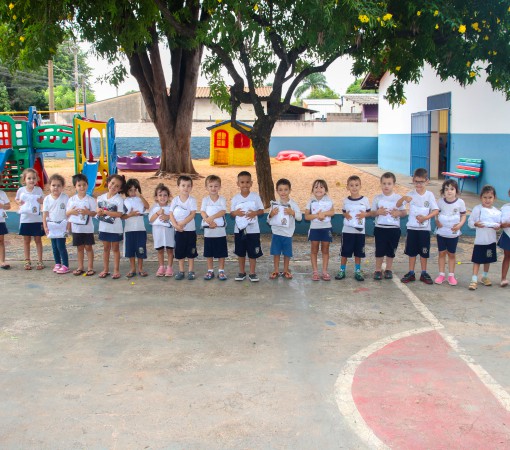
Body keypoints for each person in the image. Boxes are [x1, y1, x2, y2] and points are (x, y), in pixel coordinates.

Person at [398, 168, 439, 284]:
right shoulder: (410, 194)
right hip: (412, 229)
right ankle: (411, 272)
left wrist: (426, 218)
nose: (419, 184)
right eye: (416, 181)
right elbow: (398, 204)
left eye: (421, 182)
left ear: (427, 181)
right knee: (411, 252)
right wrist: (403, 198)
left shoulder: (429, 195)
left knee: (424, 252)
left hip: (424, 230)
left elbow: (436, 210)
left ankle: (424, 273)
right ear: (413, 181)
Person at [371, 172, 406, 280]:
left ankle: (388, 269)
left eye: (389, 183)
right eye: (384, 183)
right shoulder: (377, 198)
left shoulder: (398, 198)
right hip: (380, 228)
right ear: (381, 184)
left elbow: (404, 212)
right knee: (380, 250)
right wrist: (378, 212)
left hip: (394, 229)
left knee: (391, 250)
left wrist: (398, 213)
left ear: (394, 184)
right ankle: (377, 270)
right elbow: (371, 213)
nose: (386, 186)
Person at [230, 171, 264, 282]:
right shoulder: (235, 198)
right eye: (242, 182)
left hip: (253, 231)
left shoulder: (255, 197)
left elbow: (261, 211)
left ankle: (252, 273)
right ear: (238, 184)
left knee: (252, 252)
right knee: (240, 252)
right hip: (239, 230)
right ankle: (241, 272)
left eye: (247, 182)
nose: (245, 185)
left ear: (251, 183)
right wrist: (236, 213)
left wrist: (255, 213)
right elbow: (231, 213)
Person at [336, 175, 371, 281]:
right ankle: (342, 270)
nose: (354, 187)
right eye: (351, 185)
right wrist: (345, 215)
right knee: (345, 252)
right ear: (347, 187)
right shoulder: (345, 200)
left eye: (356, 185)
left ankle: (357, 271)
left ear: (360, 186)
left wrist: (364, 215)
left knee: (358, 252)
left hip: (360, 232)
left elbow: (369, 213)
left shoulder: (365, 200)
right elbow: (343, 212)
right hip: (347, 231)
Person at [468, 185, 501, 290]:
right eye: (485, 197)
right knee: (477, 260)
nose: (487, 200)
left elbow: (498, 225)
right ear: (480, 197)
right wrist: (476, 224)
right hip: (480, 241)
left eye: (490, 197)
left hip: (490, 241)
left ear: (494, 198)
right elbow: (470, 222)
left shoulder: (496, 211)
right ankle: (474, 279)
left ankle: (485, 277)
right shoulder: (477, 209)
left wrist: (497, 228)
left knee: (488, 259)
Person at [267, 178, 302, 279]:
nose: (283, 192)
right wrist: (271, 214)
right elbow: (268, 220)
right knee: (276, 252)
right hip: (276, 233)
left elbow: (299, 218)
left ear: (290, 190)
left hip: (287, 234)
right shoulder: (274, 204)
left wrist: (293, 213)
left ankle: (286, 270)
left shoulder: (293, 204)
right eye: (280, 189)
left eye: (286, 189)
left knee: (287, 253)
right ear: (277, 191)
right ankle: (276, 270)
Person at [434, 179, 467, 286]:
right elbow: (435, 213)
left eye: (452, 189)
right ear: (443, 191)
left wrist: (460, 225)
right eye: (446, 189)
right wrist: (437, 221)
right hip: (442, 233)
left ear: (456, 191)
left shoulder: (460, 202)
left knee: (451, 254)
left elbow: (463, 215)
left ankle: (451, 275)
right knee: (441, 253)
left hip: (453, 234)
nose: (449, 191)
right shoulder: (440, 202)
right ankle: (441, 274)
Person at [96, 174, 126, 279]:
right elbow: (97, 212)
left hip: (115, 229)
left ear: (120, 189)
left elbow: (119, 214)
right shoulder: (100, 198)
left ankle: (116, 270)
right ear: (108, 182)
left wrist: (105, 212)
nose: (113, 187)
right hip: (104, 228)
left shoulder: (119, 199)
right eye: (112, 183)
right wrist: (99, 212)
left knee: (115, 248)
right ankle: (105, 269)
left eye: (117, 186)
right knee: (106, 248)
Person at [304, 179, 335, 281]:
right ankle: (315, 272)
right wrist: (317, 215)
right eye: (316, 187)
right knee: (314, 250)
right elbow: (306, 217)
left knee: (325, 250)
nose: (318, 189)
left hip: (326, 228)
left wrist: (324, 214)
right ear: (312, 190)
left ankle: (325, 271)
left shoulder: (329, 200)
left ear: (325, 190)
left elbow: (332, 212)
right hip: (315, 229)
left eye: (321, 187)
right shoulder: (310, 201)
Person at [67, 174, 97, 276]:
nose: (82, 187)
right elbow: (66, 213)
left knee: (88, 247)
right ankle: (80, 267)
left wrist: (87, 212)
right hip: (77, 229)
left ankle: (90, 267)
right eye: (79, 185)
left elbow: (95, 213)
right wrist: (72, 212)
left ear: (87, 185)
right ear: (75, 186)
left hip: (88, 229)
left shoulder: (91, 200)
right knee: (79, 248)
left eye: (84, 185)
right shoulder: (71, 200)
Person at [15, 168, 45, 270]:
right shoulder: (21, 190)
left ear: (36, 179)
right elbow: (17, 200)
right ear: (24, 180)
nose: (31, 180)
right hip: (25, 219)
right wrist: (19, 202)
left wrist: (41, 200)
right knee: (26, 240)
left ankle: (40, 261)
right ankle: (27, 260)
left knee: (38, 240)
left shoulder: (39, 190)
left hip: (36, 219)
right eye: (29, 178)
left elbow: (42, 201)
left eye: (33, 178)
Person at [169, 175, 198, 280]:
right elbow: (171, 214)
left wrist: (182, 223)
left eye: (188, 186)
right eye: (183, 185)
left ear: (191, 187)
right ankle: (181, 271)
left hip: (190, 231)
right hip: (179, 231)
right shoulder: (175, 201)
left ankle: (191, 271)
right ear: (178, 186)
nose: (186, 188)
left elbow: (192, 214)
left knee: (191, 252)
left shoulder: (192, 200)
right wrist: (176, 226)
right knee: (180, 252)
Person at [200, 175, 228, 280]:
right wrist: (208, 220)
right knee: (209, 252)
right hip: (208, 232)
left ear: (219, 187)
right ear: (206, 187)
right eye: (210, 186)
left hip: (220, 232)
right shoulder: (205, 200)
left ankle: (221, 271)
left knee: (221, 253)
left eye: (216, 186)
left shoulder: (222, 199)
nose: (213, 188)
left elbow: (223, 211)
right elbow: (202, 211)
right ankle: (210, 270)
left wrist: (212, 217)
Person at [42, 174, 70, 274]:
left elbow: (68, 213)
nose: (56, 188)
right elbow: (45, 214)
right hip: (51, 226)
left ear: (62, 187)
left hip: (62, 226)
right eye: (53, 185)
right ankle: (57, 263)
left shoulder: (65, 198)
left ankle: (65, 265)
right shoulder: (47, 199)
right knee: (54, 246)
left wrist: (68, 226)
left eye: (58, 185)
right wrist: (45, 226)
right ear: (49, 186)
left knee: (61, 246)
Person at [122, 178, 149, 278]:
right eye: (130, 190)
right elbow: (122, 216)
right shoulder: (125, 201)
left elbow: (147, 206)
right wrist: (131, 214)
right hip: (129, 229)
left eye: (135, 190)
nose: (133, 192)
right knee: (131, 249)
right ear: (126, 191)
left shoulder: (140, 200)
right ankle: (133, 268)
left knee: (140, 249)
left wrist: (140, 196)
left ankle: (140, 268)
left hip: (140, 229)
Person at [149, 183, 175, 277]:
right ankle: (161, 266)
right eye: (160, 195)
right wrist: (157, 213)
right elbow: (150, 220)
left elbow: (174, 218)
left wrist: (167, 216)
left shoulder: (171, 207)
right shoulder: (154, 208)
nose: (162, 197)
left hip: (169, 232)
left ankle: (169, 267)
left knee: (169, 250)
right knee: (160, 250)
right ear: (156, 197)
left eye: (165, 195)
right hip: (158, 232)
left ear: (168, 197)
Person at [498, 190, 510, 287]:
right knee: (507, 256)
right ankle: (503, 278)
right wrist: (501, 225)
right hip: (507, 235)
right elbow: (499, 222)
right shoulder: (505, 208)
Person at [0, 187, 11, 269]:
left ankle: (2, 261)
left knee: (1, 240)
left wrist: (2, 206)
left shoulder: (2, 193)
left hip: (0, 220)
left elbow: (8, 206)